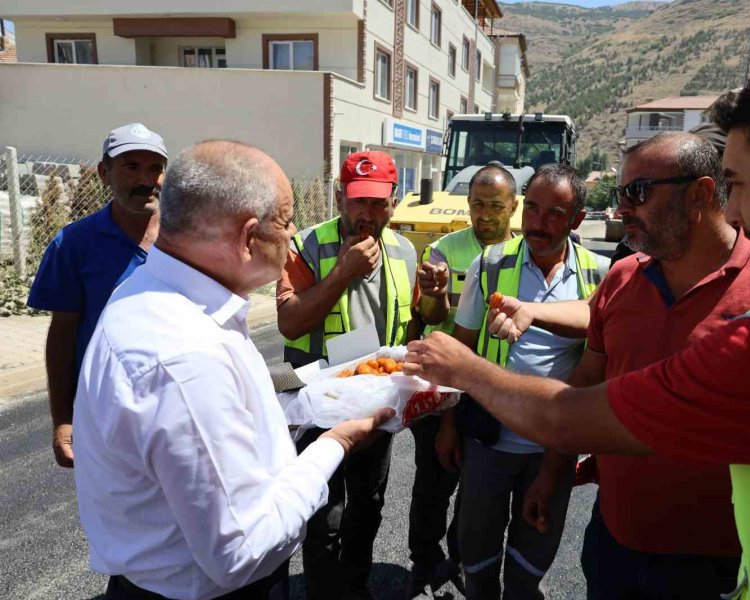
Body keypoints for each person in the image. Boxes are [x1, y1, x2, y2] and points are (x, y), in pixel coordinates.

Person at [403, 34, 750, 599]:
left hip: (710, 568)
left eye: (738, 186)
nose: (732, 211)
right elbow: (593, 340)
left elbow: (570, 415)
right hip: (619, 540)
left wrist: (463, 369)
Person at [73, 140, 393, 600]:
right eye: (284, 221)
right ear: (247, 238)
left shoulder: (167, 296)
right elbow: (242, 550)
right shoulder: (184, 357)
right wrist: (336, 442)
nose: (294, 231)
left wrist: (297, 398)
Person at [505, 131, 750, 599]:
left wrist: (464, 368)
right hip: (615, 542)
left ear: (701, 193)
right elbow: (587, 382)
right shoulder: (622, 278)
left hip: (721, 561)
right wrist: (551, 474)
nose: (624, 207)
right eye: (620, 194)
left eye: (639, 192)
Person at [439, 163, 607, 600]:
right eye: (531, 208)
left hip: (552, 449)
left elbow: (597, 368)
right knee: (476, 552)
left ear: (577, 221)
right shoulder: (489, 265)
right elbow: (463, 348)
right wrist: (449, 424)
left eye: (554, 213)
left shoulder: (600, 276)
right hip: (488, 443)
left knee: (532, 555)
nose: (538, 222)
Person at [277, 150, 418, 600]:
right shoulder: (307, 247)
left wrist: (432, 301)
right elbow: (290, 323)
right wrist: (343, 271)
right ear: (340, 198)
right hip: (318, 406)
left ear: (394, 202)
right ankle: (323, 592)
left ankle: (355, 587)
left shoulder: (404, 249)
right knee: (322, 510)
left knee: (368, 504)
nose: (368, 214)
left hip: (377, 404)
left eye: (378, 203)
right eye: (359, 202)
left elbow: (411, 326)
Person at [27, 123, 167, 468]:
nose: (145, 179)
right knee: (117, 518)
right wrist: (62, 419)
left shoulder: (191, 238)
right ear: (105, 173)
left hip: (182, 409)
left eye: (155, 168)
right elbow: (62, 335)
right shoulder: (73, 245)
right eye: (131, 166)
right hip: (107, 416)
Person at [408, 164, 519, 598]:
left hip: (492, 391)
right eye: (477, 204)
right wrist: (435, 294)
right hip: (441, 392)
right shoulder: (442, 250)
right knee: (434, 482)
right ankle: (424, 562)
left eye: (495, 206)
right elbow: (429, 318)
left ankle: (457, 558)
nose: (485, 214)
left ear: (513, 206)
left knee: (478, 490)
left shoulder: (524, 254)